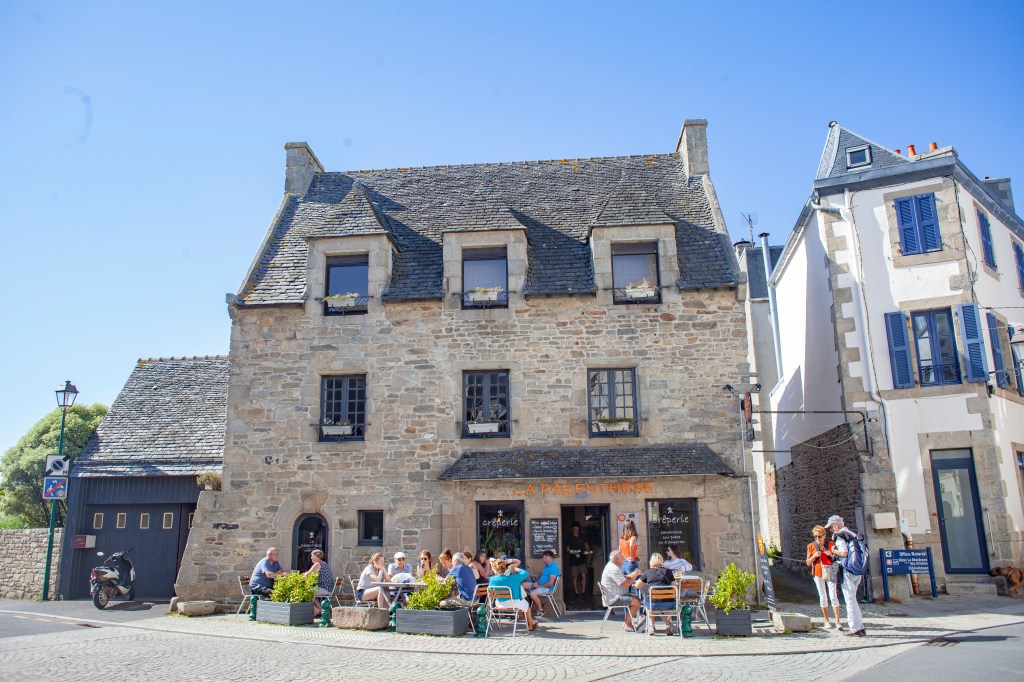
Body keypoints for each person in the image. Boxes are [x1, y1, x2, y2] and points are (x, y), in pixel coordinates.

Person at [826, 515, 866, 636]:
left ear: (836, 525)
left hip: (847, 570)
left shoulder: (839, 536)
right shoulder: (852, 534)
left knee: (849, 599)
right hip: (856, 569)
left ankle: (855, 628)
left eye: (831, 527)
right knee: (853, 599)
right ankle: (860, 626)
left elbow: (844, 553)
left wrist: (833, 551)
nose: (831, 530)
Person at [488, 557, 538, 631]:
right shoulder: (513, 577)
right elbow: (525, 573)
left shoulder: (492, 579)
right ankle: (530, 624)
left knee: (523, 606)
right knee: (527, 608)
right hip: (514, 603)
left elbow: (491, 591)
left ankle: (531, 622)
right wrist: (515, 568)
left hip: (500, 604)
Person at [807, 525, 842, 630]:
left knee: (833, 595)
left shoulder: (830, 544)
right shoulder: (811, 546)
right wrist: (814, 556)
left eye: (819, 536)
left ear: (824, 536)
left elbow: (837, 558)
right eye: (815, 536)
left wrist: (830, 555)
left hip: (830, 571)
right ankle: (826, 621)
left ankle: (838, 621)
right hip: (818, 572)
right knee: (823, 596)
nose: (817, 538)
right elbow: (808, 562)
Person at [636, 552, 678, 635]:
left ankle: (651, 626)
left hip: (653, 604)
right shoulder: (668, 572)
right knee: (666, 600)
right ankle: (668, 625)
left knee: (650, 602)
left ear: (651, 561)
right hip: (669, 604)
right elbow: (675, 587)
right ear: (661, 561)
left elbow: (637, 585)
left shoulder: (648, 572)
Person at [600, 550, 642, 630]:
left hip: (615, 595)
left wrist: (633, 574)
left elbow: (624, 578)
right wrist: (635, 574)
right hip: (613, 597)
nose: (624, 558)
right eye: (622, 557)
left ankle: (627, 622)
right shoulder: (613, 569)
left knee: (636, 598)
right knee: (637, 601)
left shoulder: (613, 566)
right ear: (617, 560)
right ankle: (627, 624)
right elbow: (626, 584)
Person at [526, 550, 561, 616]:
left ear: (549, 557)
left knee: (532, 594)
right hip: (540, 585)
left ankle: (541, 610)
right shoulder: (546, 565)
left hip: (548, 589)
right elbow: (543, 577)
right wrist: (537, 582)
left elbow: (551, 583)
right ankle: (527, 606)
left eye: (544, 557)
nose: (543, 559)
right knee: (523, 585)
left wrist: (538, 586)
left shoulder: (553, 567)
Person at [565, 522, 591, 606]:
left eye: (578, 529)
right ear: (572, 529)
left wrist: (588, 549)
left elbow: (586, 545)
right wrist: (574, 551)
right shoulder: (569, 537)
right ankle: (576, 593)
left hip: (582, 559)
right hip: (573, 560)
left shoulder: (582, 536)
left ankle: (583, 592)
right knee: (575, 577)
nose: (576, 530)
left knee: (583, 575)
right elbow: (567, 549)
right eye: (575, 529)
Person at [305, 549, 335, 617]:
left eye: (312, 556)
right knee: (313, 595)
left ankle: (317, 610)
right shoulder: (324, 563)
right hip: (328, 589)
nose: (311, 558)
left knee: (306, 592)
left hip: (325, 589)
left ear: (317, 557)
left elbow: (307, 575)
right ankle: (320, 609)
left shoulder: (317, 564)